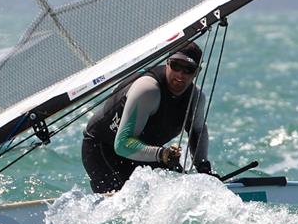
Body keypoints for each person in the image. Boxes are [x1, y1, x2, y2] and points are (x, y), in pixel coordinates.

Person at [81, 42, 213, 193]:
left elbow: (198, 130)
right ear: (167, 63)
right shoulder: (148, 90)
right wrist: (162, 154)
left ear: (197, 72)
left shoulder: (195, 98)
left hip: (143, 153)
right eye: (176, 66)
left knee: (178, 187)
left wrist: (204, 168)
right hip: (103, 148)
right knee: (127, 203)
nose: (180, 75)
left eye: (188, 70)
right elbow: (122, 144)